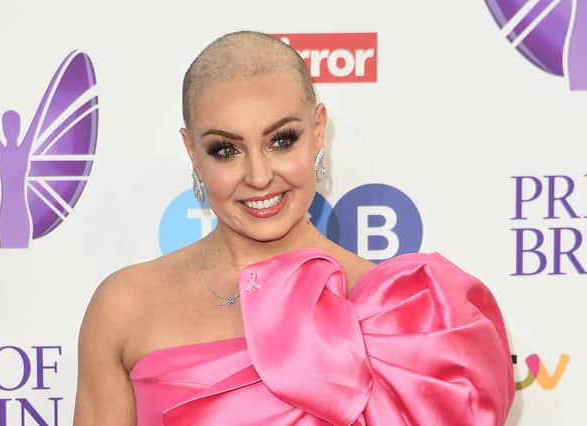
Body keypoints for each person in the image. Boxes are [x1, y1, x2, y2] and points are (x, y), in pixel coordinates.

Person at [73, 31, 514, 425]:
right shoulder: (125, 307)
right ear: (192, 151)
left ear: (318, 130)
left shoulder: (411, 316)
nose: (260, 175)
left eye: (282, 140)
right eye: (226, 149)